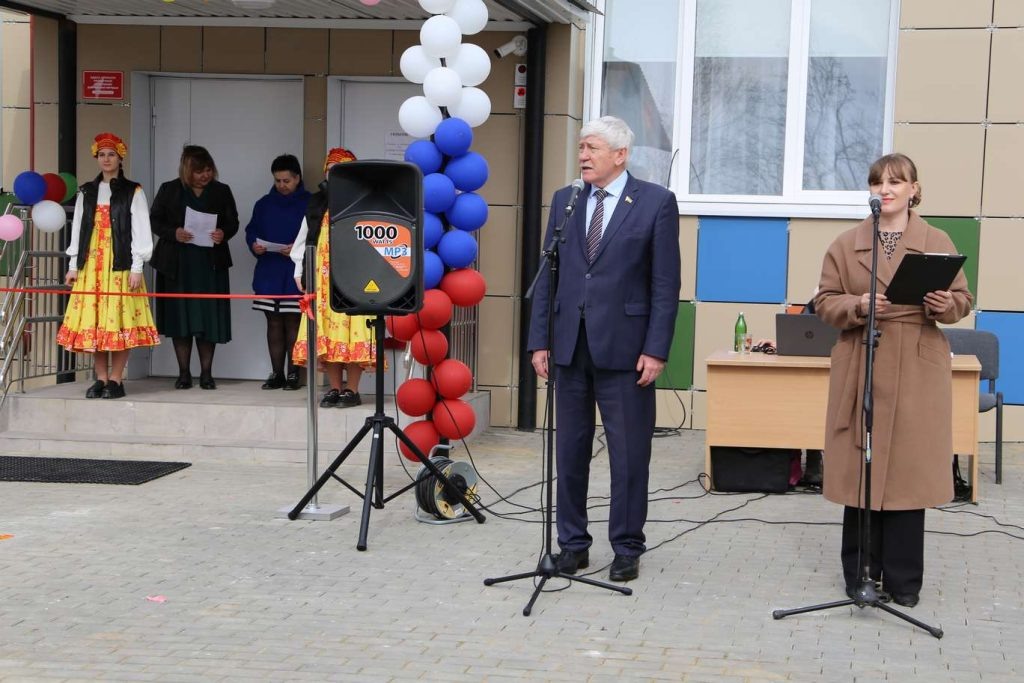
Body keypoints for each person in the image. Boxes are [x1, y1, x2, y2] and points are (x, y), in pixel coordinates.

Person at [527, 116, 681, 582]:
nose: (583, 157)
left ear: (621, 154)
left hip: (627, 351)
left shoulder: (656, 203)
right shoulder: (566, 200)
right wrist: (540, 341)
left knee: (629, 454)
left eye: (592, 148)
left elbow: (664, 284)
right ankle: (572, 545)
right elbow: (548, 273)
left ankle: (627, 546)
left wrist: (656, 349)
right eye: (580, 148)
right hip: (570, 348)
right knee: (569, 451)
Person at [815, 152, 971, 608]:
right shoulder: (846, 244)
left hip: (917, 364)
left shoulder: (936, 239)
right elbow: (824, 301)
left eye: (896, 182)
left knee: (907, 472)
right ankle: (860, 575)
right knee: (861, 468)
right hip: (862, 357)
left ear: (914, 190)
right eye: (878, 182)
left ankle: (904, 583)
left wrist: (945, 305)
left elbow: (962, 299)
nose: (886, 189)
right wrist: (859, 306)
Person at [56, 132, 160, 399]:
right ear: (96, 157)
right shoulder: (87, 191)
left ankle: (116, 379)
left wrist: (137, 266)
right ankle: (101, 378)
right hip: (91, 263)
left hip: (120, 263)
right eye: (102, 154)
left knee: (118, 321)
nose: (106, 159)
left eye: (111, 154)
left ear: (120, 157)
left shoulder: (132, 190)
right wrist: (73, 264)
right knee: (96, 321)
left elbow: (141, 229)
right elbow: (78, 228)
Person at [290, 148, 375, 408]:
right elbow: (303, 241)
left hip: (357, 281)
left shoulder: (366, 202)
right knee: (328, 335)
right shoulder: (317, 203)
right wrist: (299, 271)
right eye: (331, 171)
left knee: (353, 331)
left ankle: (353, 390)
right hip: (323, 281)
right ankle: (335, 388)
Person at [150, 145, 239, 390]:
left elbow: (233, 222)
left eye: (208, 170)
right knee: (181, 319)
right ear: (187, 170)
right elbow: (155, 220)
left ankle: (207, 374)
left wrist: (224, 233)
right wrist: (173, 232)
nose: (205, 175)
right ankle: (184, 373)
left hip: (210, 263)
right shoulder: (170, 190)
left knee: (208, 318)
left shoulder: (221, 191)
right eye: (199, 171)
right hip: (177, 264)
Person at [245, 154, 310, 390]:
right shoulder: (263, 203)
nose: (282, 185)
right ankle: (276, 373)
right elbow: (251, 230)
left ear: (297, 178)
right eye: (278, 181)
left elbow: (316, 235)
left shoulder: (310, 202)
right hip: (269, 271)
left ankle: (294, 374)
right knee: (273, 322)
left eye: (286, 181)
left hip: (296, 273)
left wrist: (298, 249)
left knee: (294, 322)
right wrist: (255, 244)